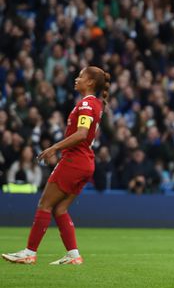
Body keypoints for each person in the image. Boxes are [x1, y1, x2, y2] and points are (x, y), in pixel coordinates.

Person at [2, 67, 108, 265]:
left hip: (74, 161)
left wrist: (54, 147)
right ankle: (73, 255)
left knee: (45, 204)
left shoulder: (86, 104)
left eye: (81, 76)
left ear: (91, 82)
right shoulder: (95, 104)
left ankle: (29, 252)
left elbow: (82, 133)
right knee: (60, 209)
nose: (76, 79)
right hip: (86, 163)